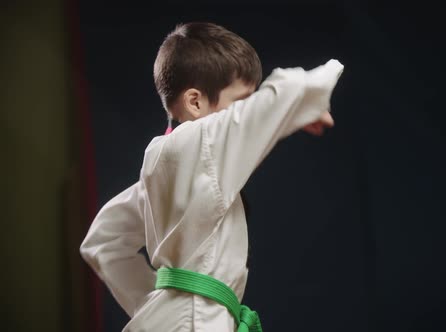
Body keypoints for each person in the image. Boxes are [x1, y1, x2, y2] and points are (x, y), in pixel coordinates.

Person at [80, 22, 343, 331]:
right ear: (195, 102)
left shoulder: (162, 173)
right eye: (242, 101)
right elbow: (293, 88)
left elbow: (103, 239)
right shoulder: (200, 142)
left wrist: (157, 301)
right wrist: (308, 98)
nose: (247, 114)